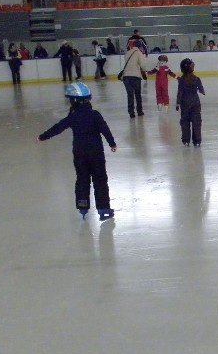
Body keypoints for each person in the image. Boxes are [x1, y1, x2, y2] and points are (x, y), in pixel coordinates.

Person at [37, 82, 117, 221]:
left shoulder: (73, 116)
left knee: (82, 179)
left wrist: (42, 137)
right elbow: (105, 129)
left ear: (73, 100)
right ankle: (103, 209)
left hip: (80, 153)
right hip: (96, 153)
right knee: (100, 180)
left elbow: (58, 127)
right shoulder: (95, 115)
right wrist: (112, 143)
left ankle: (83, 206)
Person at [176, 58, 206, 146]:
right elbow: (201, 89)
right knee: (196, 122)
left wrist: (178, 103)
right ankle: (197, 141)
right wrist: (202, 90)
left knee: (185, 122)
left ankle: (186, 140)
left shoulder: (182, 80)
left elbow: (180, 92)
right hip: (195, 103)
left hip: (185, 104)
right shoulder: (196, 79)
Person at [121, 39, 148, 119]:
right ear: (140, 47)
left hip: (126, 76)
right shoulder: (139, 53)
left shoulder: (127, 53)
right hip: (135, 76)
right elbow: (143, 65)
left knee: (130, 95)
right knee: (138, 94)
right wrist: (144, 71)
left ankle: (131, 112)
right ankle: (139, 111)